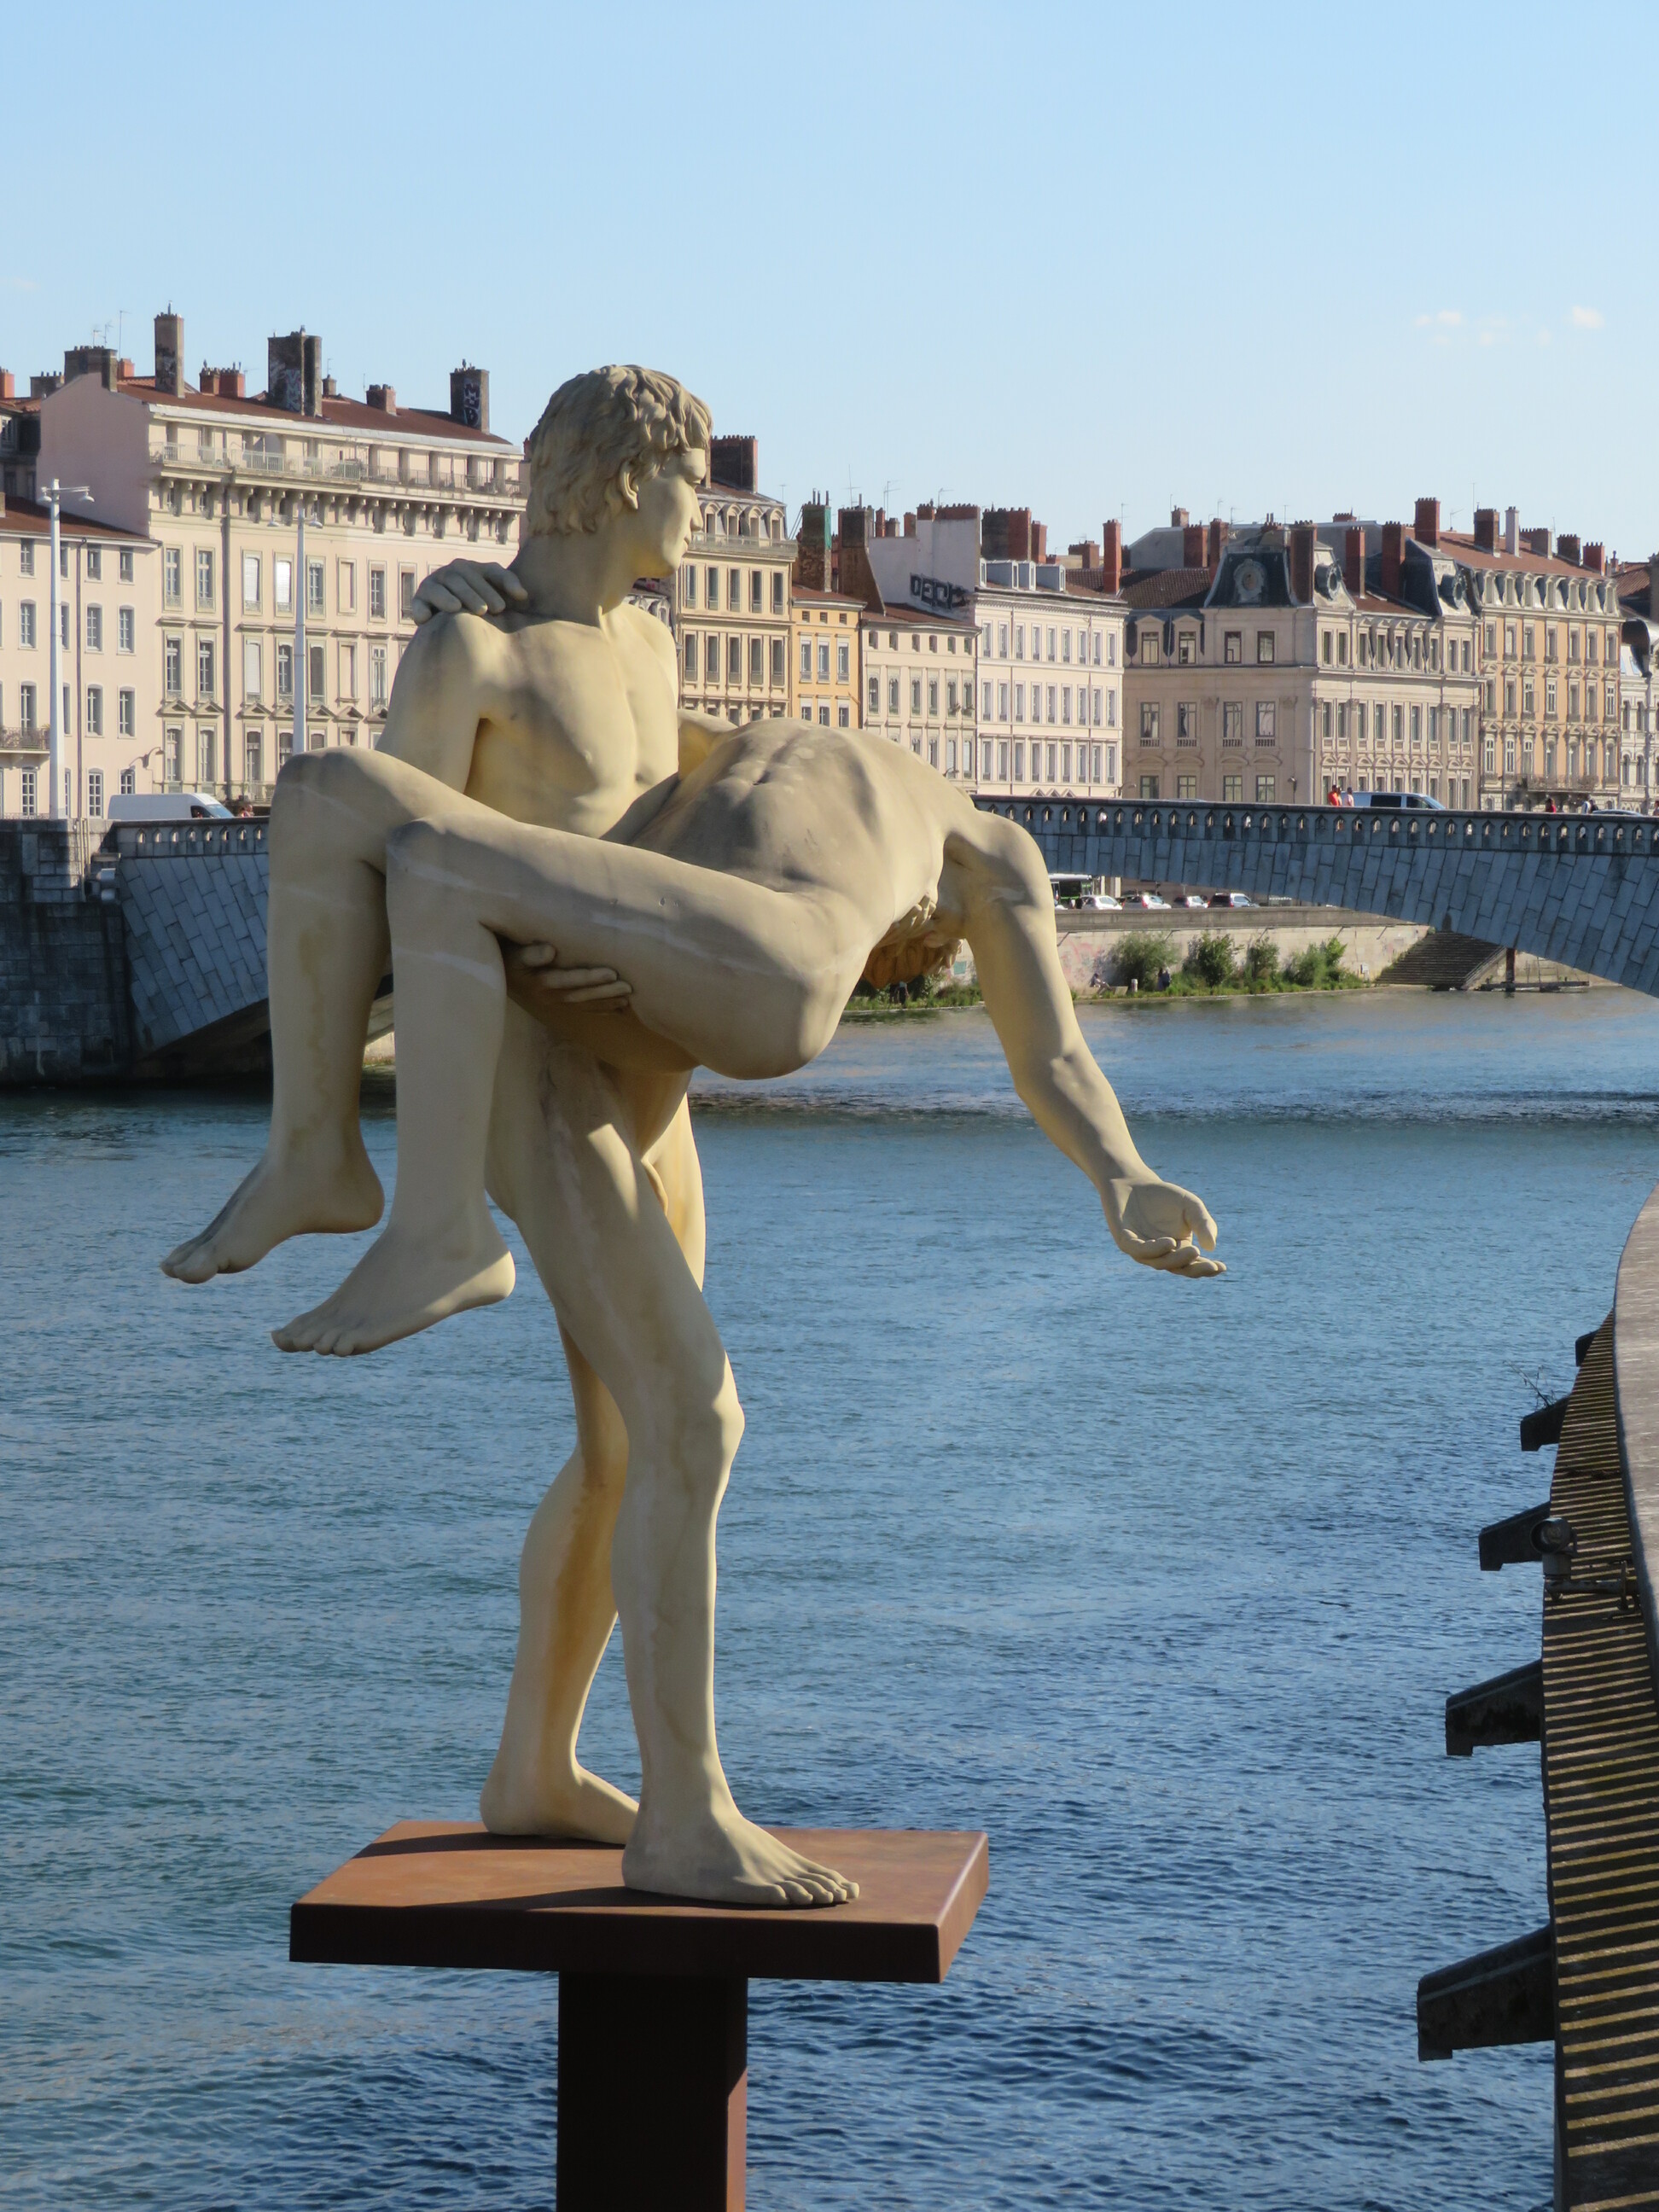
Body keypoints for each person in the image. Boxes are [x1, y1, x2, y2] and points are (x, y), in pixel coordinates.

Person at [163, 366, 1221, 1910]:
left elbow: (688, 819)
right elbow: (408, 865)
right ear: (618, 479)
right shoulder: (471, 647)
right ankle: (686, 1811)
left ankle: (534, 1768)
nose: (704, 516)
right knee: (693, 1418)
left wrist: (1122, 1171)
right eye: (689, 484)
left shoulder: (655, 649)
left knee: (626, 1448)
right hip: (532, 1066)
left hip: (648, 1067)